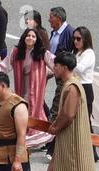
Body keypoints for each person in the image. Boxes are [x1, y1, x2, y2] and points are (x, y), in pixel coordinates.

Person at [31, 52, 99, 171]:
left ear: (64, 67)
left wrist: (55, 128)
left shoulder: (71, 87)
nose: (54, 68)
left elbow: (68, 114)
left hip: (71, 137)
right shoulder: (73, 84)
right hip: (73, 135)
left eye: (56, 65)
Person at [0, 28, 55, 148]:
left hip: (35, 87)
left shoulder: (42, 53)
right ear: (24, 37)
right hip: (22, 84)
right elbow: (4, 66)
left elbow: (56, 65)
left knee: (33, 107)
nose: (30, 38)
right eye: (28, 36)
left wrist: (63, 72)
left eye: (33, 36)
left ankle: (31, 136)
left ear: (37, 40)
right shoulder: (16, 52)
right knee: (23, 106)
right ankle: (22, 135)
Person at [46, 7, 74, 159]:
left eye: (51, 17)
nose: (49, 20)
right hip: (57, 73)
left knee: (58, 106)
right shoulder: (54, 33)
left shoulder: (68, 32)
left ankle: (51, 143)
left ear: (58, 17)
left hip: (64, 76)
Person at [72, 26, 98, 161]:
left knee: (85, 122)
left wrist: (70, 60)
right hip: (76, 87)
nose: (76, 41)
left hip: (85, 88)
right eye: (74, 38)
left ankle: (93, 152)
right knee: (77, 121)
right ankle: (82, 150)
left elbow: (80, 69)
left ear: (85, 39)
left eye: (78, 39)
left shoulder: (89, 53)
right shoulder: (78, 53)